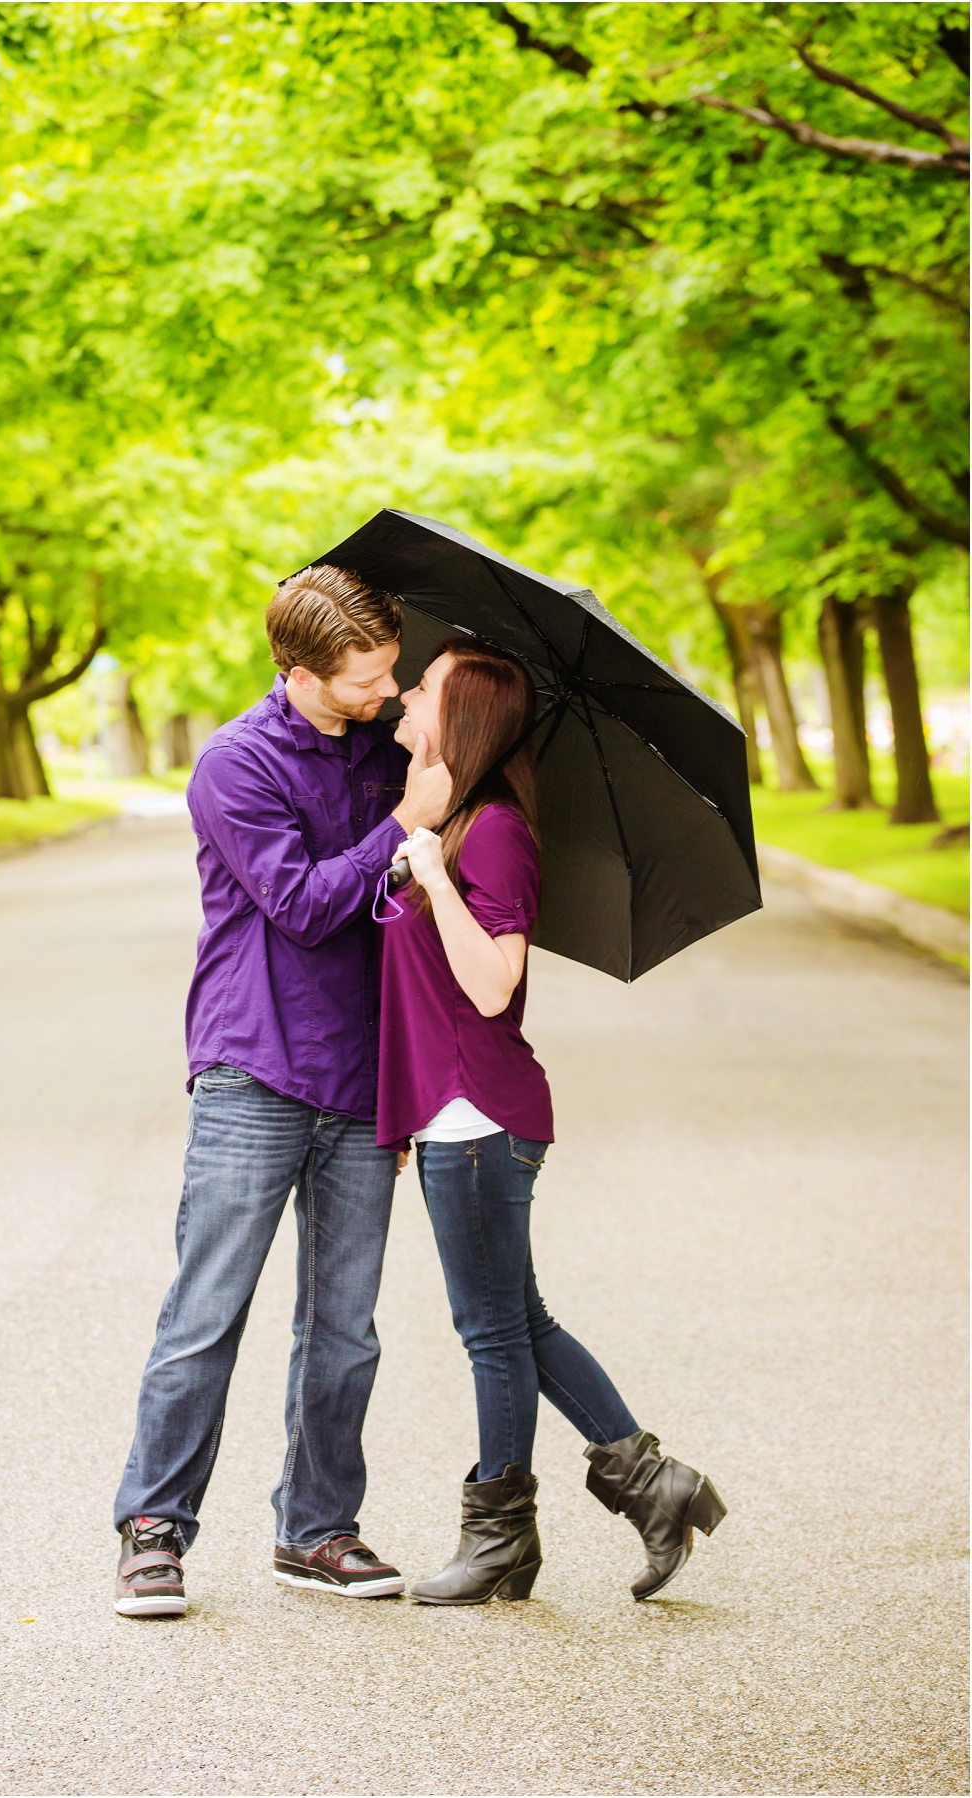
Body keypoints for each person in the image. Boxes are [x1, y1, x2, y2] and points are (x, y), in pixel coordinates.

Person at [113, 565, 451, 1617]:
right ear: (297, 670)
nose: (388, 694)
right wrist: (403, 828)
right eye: (365, 679)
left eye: (393, 671)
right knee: (207, 1310)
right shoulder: (234, 763)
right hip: (252, 1067)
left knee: (345, 1324)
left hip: (361, 1075)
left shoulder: (386, 749)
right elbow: (305, 907)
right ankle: (153, 1526)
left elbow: (400, 929)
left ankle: (316, 1529)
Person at [376, 637, 726, 1606]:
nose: (407, 693)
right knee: (518, 1320)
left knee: (491, 1331)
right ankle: (654, 1483)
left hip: (480, 1116)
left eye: (427, 687)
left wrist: (434, 879)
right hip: (456, 1113)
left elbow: (491, 988)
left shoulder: (491, 834)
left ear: (466, 718)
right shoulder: (450, 821)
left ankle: (500, 1538)